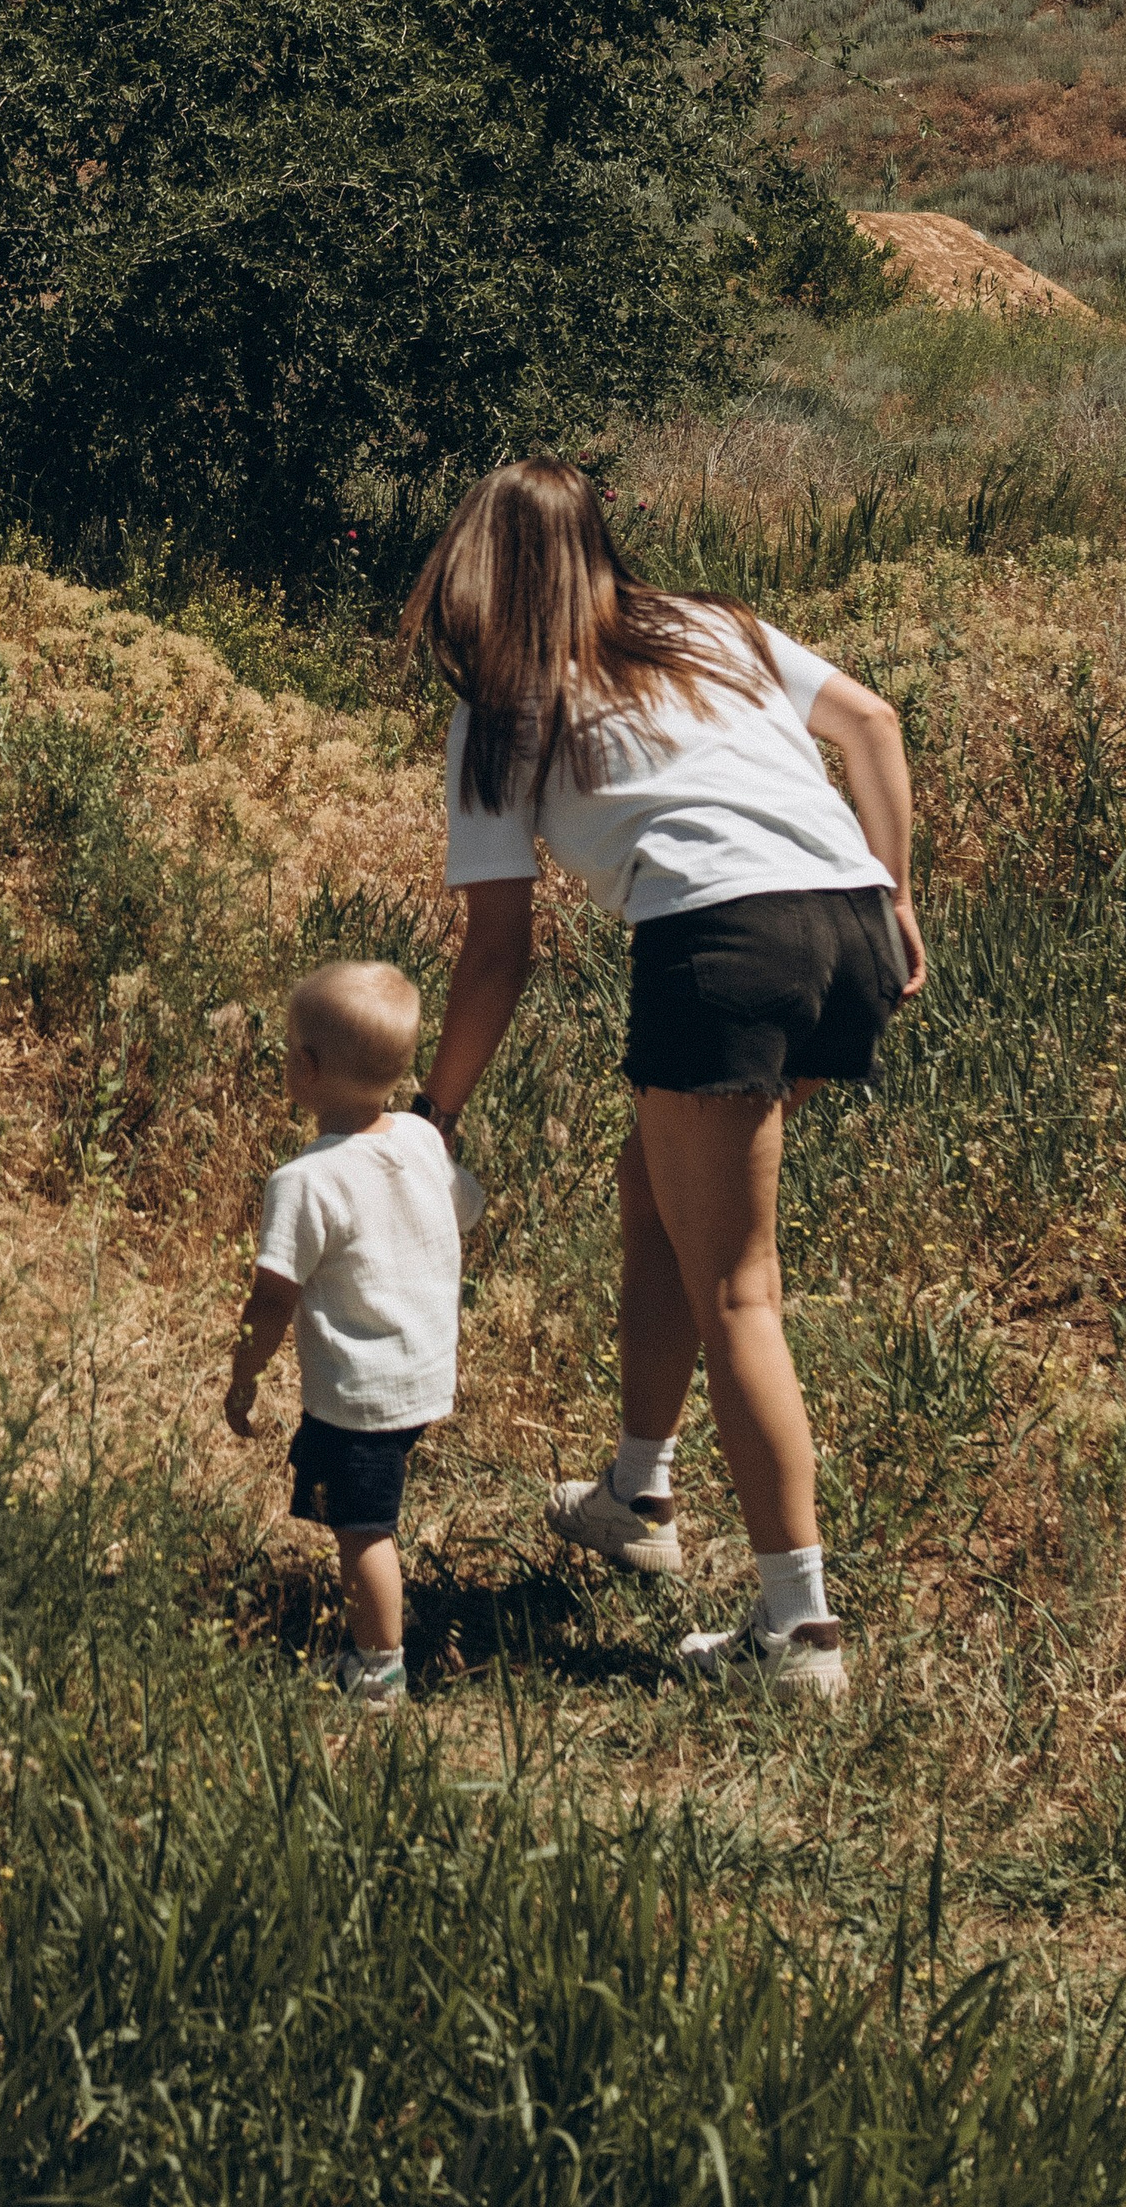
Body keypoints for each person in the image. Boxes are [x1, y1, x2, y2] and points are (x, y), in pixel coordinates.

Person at [400, 461, 924, 1704]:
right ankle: (638, 1491)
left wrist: (436, 1111)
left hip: (722, 944)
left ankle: (796, 1628)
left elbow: (495, 952)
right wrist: (898, 895)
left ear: (473, 565)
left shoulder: (500, 709)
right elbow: (872, 724)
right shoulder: (714, 626)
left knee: (740, 1288)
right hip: (845, 924)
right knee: (657, 1183)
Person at [225, 960, 485, 1711]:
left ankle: (377, 1668)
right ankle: (373, 1647)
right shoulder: (416, 1137)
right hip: (422, 1370)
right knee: (365, 1510)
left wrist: (244, 1372)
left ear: (305, 1068)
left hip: (361, 1392)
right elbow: (465, 1206)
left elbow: (272, 1297)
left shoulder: (305, 1181)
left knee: (362, 1529)